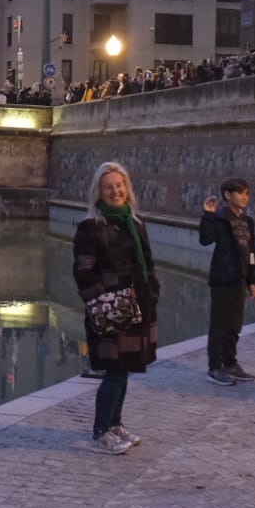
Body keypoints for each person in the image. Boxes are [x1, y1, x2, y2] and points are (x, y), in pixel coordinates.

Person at [73, 161, 161, 455]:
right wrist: (105, 303)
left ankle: (115, 424)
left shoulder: (135, 224)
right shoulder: (91, 227)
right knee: (114, 371)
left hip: (137, 310)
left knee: (125, 370)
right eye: (108, 186)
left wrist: (152, 294)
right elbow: (84, 272)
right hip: (109, 314)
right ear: (98, 191)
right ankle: (101, 432)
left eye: (119, 185)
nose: (115, 191)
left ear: (127, 188)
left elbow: (147, 265)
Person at [199, 177, 255, 385]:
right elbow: (205, 239)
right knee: (219, 325)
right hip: (223, 279)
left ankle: (230, 363)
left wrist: (252, 280)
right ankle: (214, 367)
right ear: (228, 195)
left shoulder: (247, 222)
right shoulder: (219, 218)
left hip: (240, 280)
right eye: (240, 192)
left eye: (247, 193)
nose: (245, 197)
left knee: (234, 325)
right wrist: (207, 214)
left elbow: (251, 252)